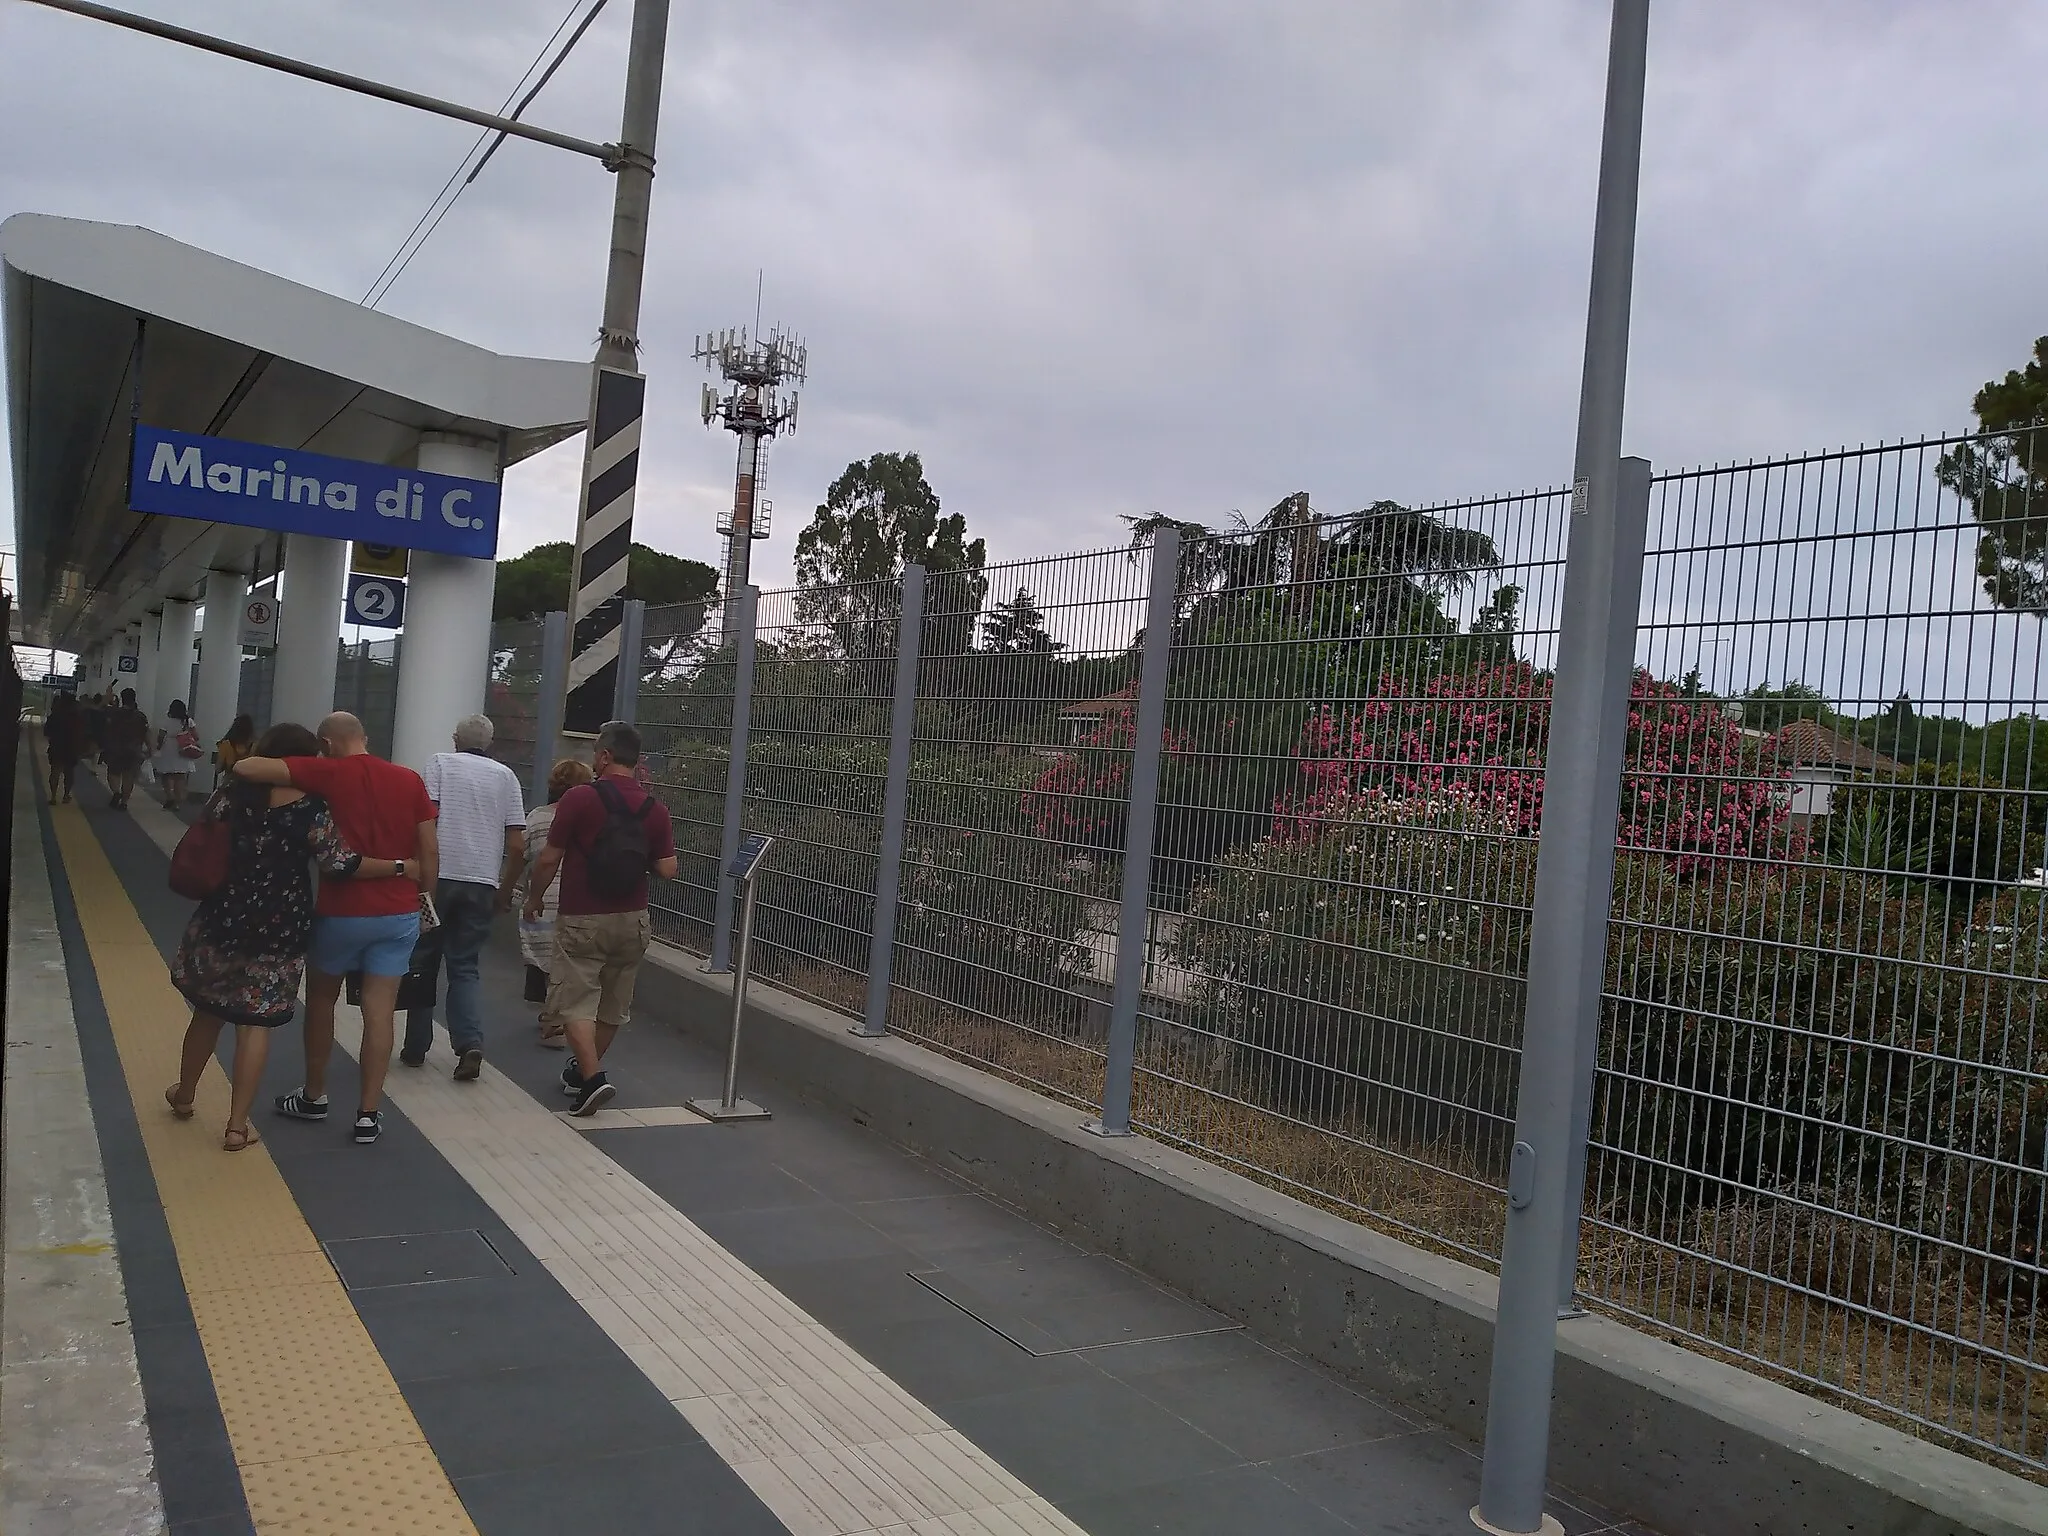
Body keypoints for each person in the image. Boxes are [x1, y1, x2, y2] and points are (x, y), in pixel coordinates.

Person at [164, 723, 414, 1151]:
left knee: (208, 1011)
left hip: (223, 915)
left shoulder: (232, 792)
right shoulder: (312, 806)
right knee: (254, 1023)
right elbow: (340, 863)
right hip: (280, 924)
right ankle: (237, 1126)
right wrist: (400, 867)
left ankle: (185, 1095)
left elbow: (206, 830)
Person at [233, 711, 437, 1145]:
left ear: (326, 743)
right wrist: (422, 895)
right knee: (379, 1012)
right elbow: (429, 847)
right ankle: (367, 1114)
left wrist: (302, 768)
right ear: (364, 737)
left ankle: (314, 1095)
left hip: (340, 913)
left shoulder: (326, 772)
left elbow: (244, 767)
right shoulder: (409, 779)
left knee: (322, 1001)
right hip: (398, 912)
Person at [524, 721, 677, 1116]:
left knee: (575, 1000)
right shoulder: (654, 808)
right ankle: (581, 1072)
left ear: (606, 756)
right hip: (633, 918)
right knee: (613, 1006)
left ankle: (593, 1079)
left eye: (596, 752)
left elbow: (548, 857)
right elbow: (668, 869)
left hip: (583, 917)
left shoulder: (579, 799)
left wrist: (534, 898)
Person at [400, 714, 526, 1081]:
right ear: (489, 743)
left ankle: (415, 1047)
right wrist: (504, 891)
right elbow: (518, 845)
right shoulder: (507, 777)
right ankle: (469, 1042)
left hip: (437, 879)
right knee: (465, 965)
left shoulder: (439, 763)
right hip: (482, 882)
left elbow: (427, 820)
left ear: (455, 738)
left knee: (423, 960)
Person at [517, 758, 594, 1049]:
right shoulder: (591, 820)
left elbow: (524, 854)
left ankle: (553, 1020)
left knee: (548, 961)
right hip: (578, 898)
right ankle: (562, 1019)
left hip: (543, 898)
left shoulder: (536, 817)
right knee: (571, 962)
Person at [99, 688, 152, 809]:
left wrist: (108, 696)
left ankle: (116, 792)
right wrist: (150, 748)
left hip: (115, 748)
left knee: (113, 773)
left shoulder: (114, 712)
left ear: (122, 698)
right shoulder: (140, 716)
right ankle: (124, 802)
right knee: (128, 777)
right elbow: (146, 733)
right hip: (133, 750)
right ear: (134, 698)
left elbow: (101, 707)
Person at [153, 698, 202, 809]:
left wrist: (158, 747)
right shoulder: (188, 721)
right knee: (180, 776)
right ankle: (177, 801)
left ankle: (169, 797)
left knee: (166, 774)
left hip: (169, 747)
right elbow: (196, 736)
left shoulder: (166, 721)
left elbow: (160, 736)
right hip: (182, 748)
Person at [43, 692, 86, 803]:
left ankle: (53, 797)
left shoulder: (54, 716)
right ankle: (66, 795)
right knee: (69, 773)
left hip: (56, 747)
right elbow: (81, 734)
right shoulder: (78, 717)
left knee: (55, 772)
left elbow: (47, 733)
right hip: (71, 749)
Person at [214, 714, 256, 786]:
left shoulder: (226, 745)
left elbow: (218, 769)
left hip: (230, 784)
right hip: (250, 784)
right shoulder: (255, 745)